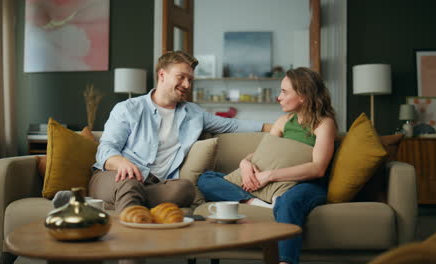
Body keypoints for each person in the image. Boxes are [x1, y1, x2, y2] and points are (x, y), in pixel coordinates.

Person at [87, 51, 269, 213]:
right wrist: (119, 162)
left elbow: (232, 125)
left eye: (190, 79)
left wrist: (276, 127)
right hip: (113, 177)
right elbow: (106, 148)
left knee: (185, 188)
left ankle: (122, 205)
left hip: (154, 185)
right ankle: (132, 236)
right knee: (129, 184)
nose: (187, 85)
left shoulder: (194, 113)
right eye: (181, 77)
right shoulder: (128, 108)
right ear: (162, 75)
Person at [197, 67, 337, 264]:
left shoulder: (324, 123)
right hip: (269, 189)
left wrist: (269, 175)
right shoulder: (283, 121)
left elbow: (318, 168)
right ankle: (261, 204)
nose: (279, 97)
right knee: (206, 178)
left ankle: (285, 261)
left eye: (284, 92)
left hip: (305, 186)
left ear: (304, 96)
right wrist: (245, 163)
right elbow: (262, 153)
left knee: (289, 201)